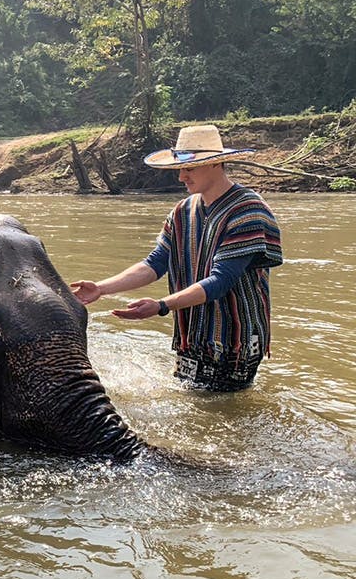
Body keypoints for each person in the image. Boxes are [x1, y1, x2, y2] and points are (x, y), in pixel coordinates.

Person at [70, 124, 283, 392]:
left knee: (223, 409)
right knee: (194, 402)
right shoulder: (183, 210)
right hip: (191, 334)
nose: (182, 177)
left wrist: (161, 305)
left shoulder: (247, 211)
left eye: (189, 168)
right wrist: (102, 288)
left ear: (216, 165)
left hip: (232, 339)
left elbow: (221, 281)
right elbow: (156, 263)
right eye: (180, 169)